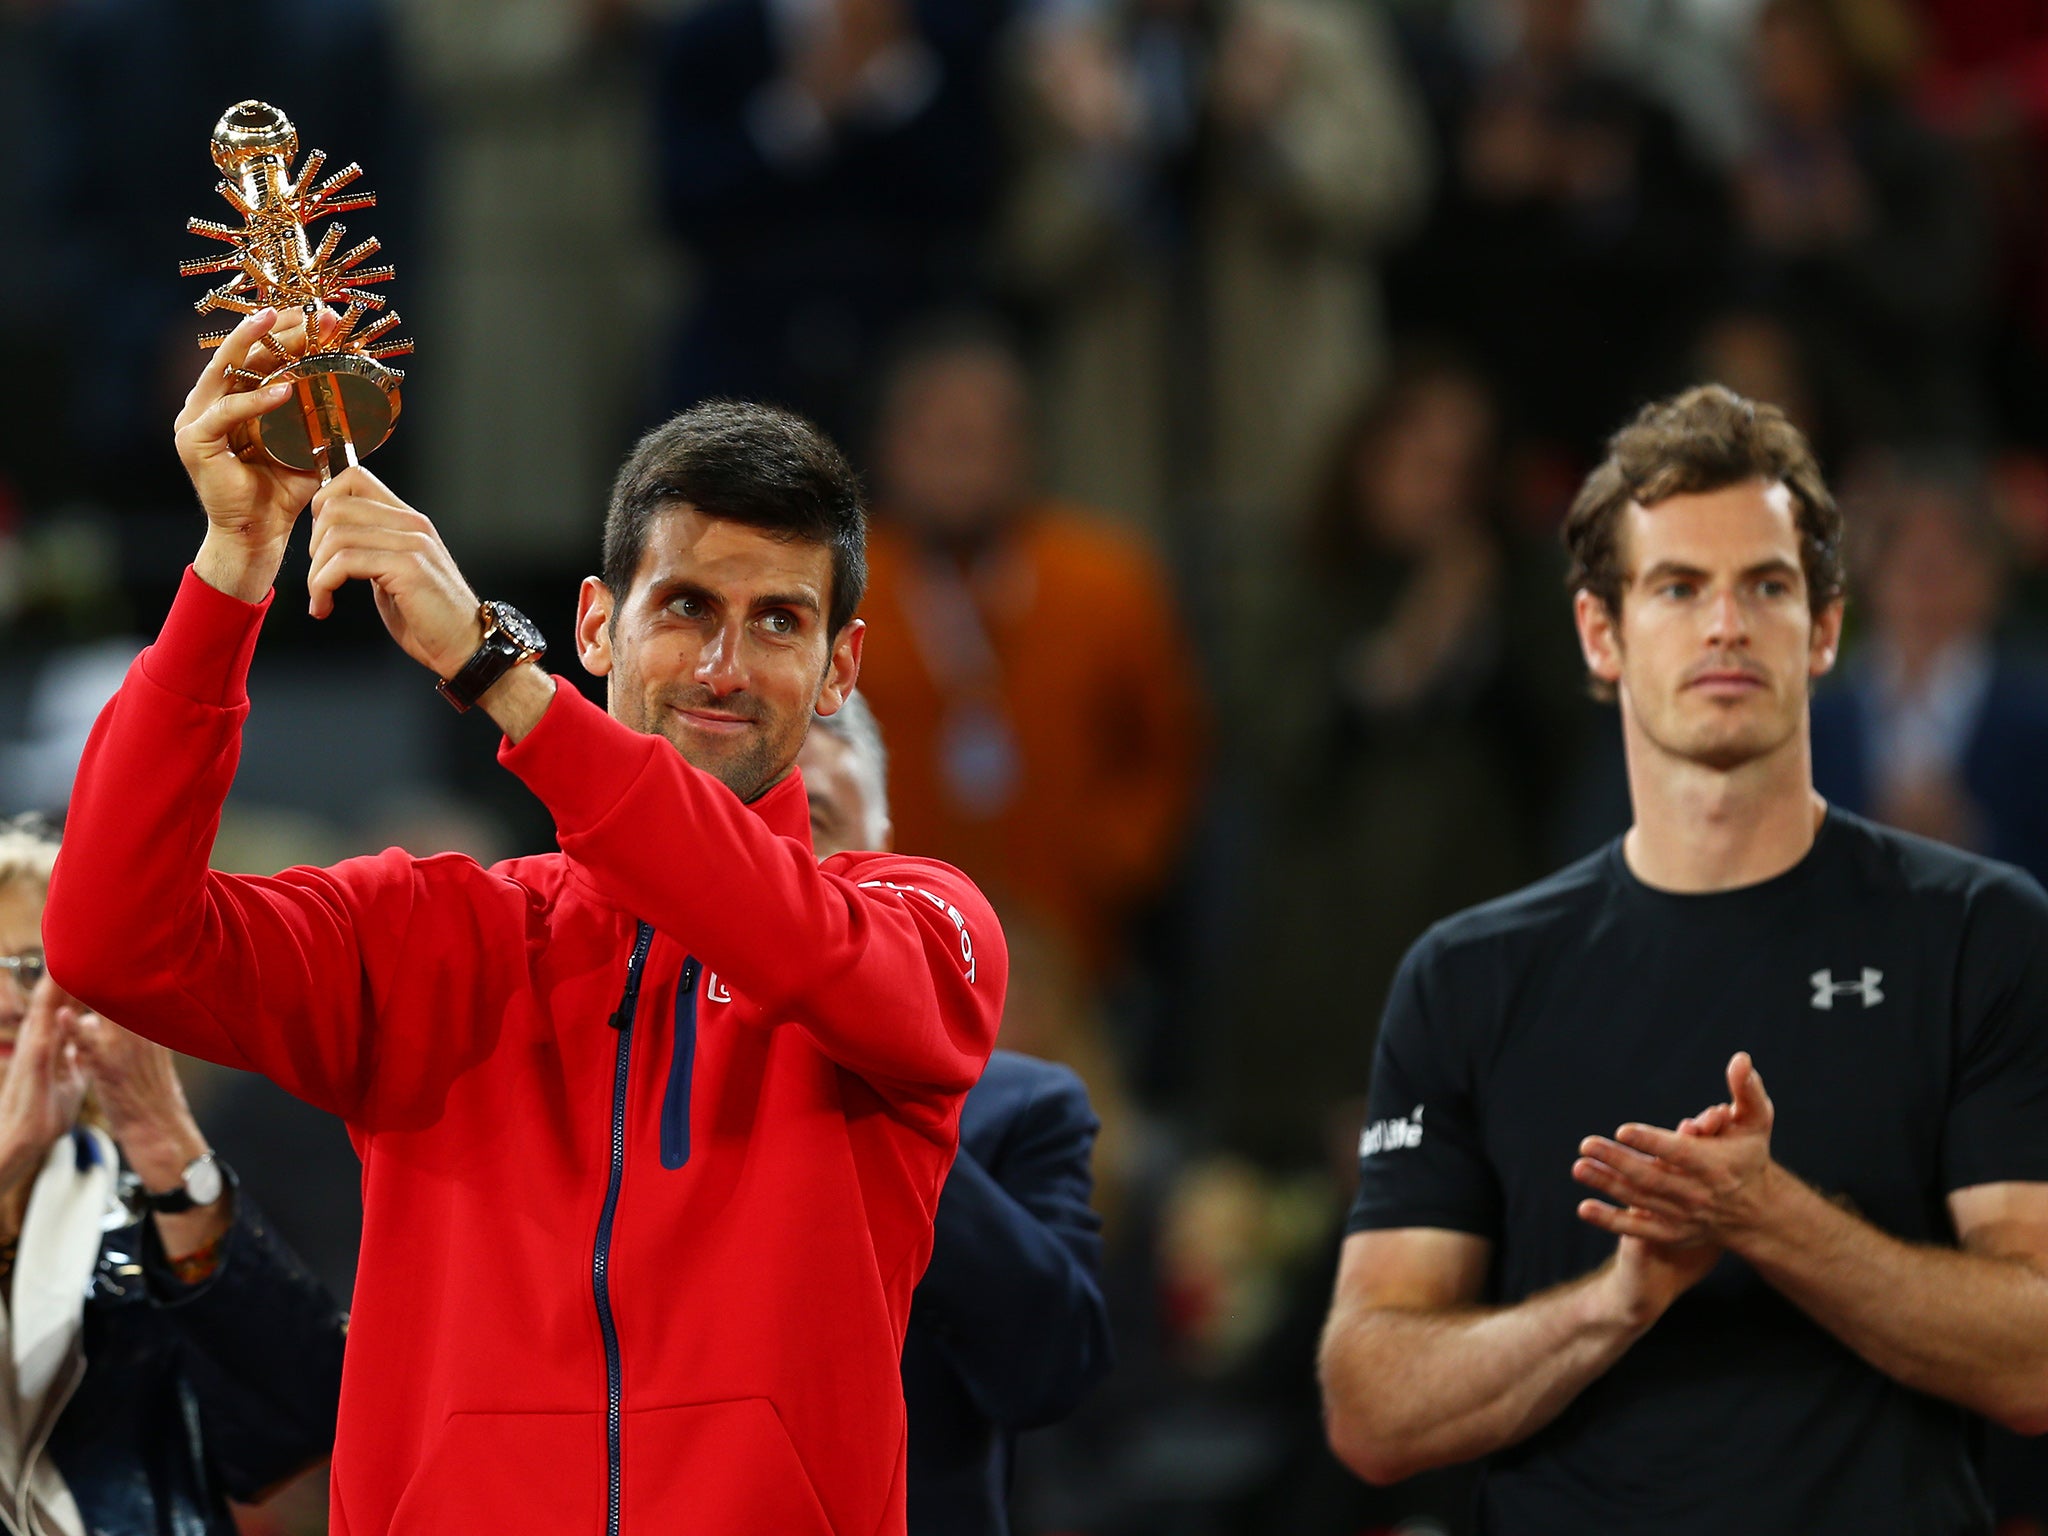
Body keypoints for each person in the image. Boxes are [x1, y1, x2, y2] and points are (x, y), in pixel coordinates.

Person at [43, 305, 1008, 1536]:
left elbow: (772, 926)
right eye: (685, 607)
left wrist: (496, 671)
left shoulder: (919, 926)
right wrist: (232, 566)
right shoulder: (432, 933)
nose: (722, 665)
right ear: (601, 622)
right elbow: (113, 939)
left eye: (779, 621)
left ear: (840, 669)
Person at [1318, 385, 2048, 1534]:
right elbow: (1368, 1407)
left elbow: (2036, 1361)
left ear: (1822, 630)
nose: (1724, 626)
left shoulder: (1977, 934)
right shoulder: (1467, 977)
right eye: (1676, 588)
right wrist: (1616, 1302)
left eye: (1764, 585)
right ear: (1599, 636)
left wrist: (1769, 1220)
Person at [798, 696, 1113, 1536]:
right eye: (744, 827)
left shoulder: (1020, 1109)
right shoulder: (622, 1085)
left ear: (888, 851)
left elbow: (1051, 1370)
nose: (783, 864)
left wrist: (891, 1105)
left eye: (817, 818)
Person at [0, 818, 346, 1536]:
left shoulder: (152, 1209)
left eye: (36, 970)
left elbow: (301, 1420)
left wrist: (166, 1147)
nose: (10, 1003)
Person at [853, 320, 1204, 978]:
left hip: (1072, 953)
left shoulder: (1109, 582)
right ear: (891, 449)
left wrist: (1115, 864)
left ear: (1027, 450)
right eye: (941, 439)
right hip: (881, 949)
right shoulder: (832, 588)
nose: (962, 462)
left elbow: (1168, 750)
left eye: (985, 439)